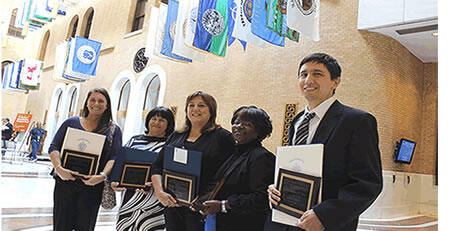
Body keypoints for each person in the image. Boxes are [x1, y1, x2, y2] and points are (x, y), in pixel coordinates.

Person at [265, 53, 383, 231]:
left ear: (336, 82)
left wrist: (325, 215)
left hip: (326, 225)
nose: (308, 80)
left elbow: (367, 184)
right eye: (303, 74)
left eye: (317, 74)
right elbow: (296, 168)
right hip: (286, 220)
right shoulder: (296, 122)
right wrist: (276, 187)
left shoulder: (357, 121)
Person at [151, 91, 235, 231]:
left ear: (211, 111)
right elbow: (157, 165)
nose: (195, 109)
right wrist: (159, 192)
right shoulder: (176, 136)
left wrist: (205, 198)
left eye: (201, 105)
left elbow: (227, 173)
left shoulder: (223, 137)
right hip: (172, 204)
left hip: (201, 209)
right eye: (191, 105)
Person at [48, 88, 123, 231]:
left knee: (85, 226)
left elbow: (115, 157)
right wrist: (59, 169)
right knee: (61, 225)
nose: (96, 103)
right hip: (65, 182)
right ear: (87, 103)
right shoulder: (71, 122)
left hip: (92, 185)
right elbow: (54, 146)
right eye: (92, 100)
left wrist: (102, 176)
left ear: (107, 105)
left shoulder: (113, 130)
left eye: (101, 101)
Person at [199, 106, 275, 231]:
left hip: (244, 225)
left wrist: (224, 205)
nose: (238, 126)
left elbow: (261, 198)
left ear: (259, 130)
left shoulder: (262, 157)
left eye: (247, 124)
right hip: (221, 222)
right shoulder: (234, 154)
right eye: (236, 122)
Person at [111, 106, 175, 231]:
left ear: (169, 124)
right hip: (130, 198)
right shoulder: (134, 140)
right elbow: (121, 163)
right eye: (154, 118)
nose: (156, 122)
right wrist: (115, 180)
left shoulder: (170, 145)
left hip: (153, 201)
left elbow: (170, 173)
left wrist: (154, 184)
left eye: (162, 120)